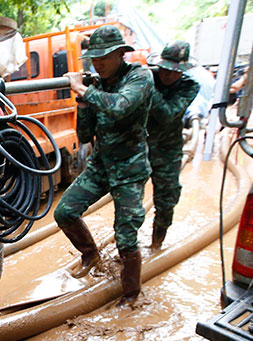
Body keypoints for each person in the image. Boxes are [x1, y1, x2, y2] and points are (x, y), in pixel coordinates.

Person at [55, 25, 154, 306]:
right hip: (101, 165)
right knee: (65, 212)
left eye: (104, 57)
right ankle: (91, 254)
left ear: (121, 54)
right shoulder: (96, 85)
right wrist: (82, 102)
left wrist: (84, 91)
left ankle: (132, 294)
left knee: (125, 235)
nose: (97, 63)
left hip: (130, 168)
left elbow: (121, 106)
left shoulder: (139, 77)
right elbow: (85, 135)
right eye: (94, 59)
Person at [145, 41, 200, 250]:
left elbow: (168, 114)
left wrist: (148, 87)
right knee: (128, 203)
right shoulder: (147, 77)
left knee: (166, 201)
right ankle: (128, 249)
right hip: (138, 148)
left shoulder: (189, 86)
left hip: (167, 152)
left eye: (175, 72)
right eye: (165, 70)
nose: (168, 76)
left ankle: (155, 246)